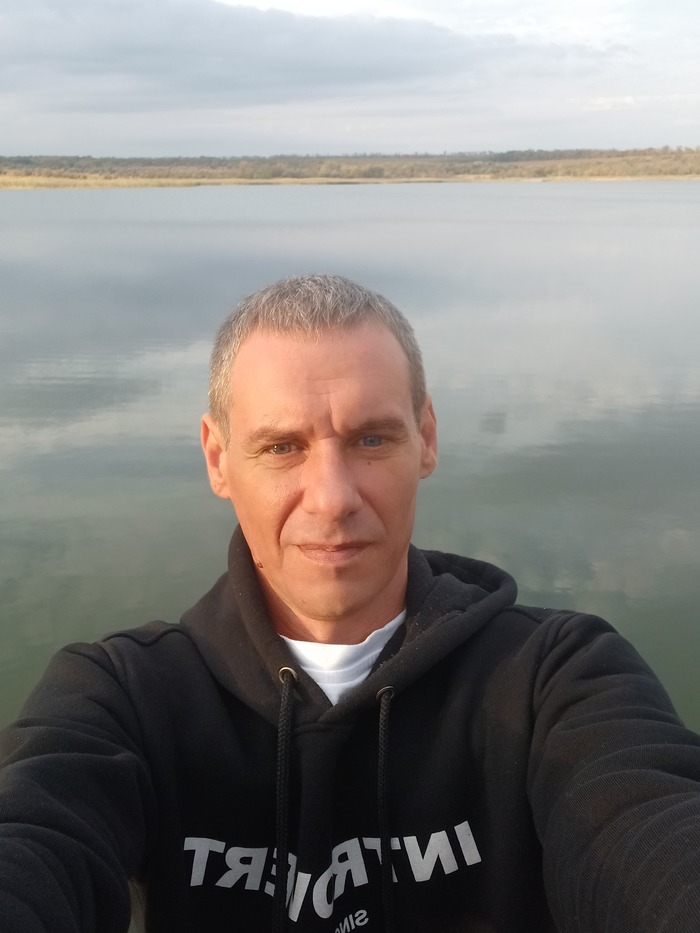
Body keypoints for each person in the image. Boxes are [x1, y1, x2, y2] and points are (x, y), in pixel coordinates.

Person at [1, 274, 699, 933]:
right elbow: (35, 839)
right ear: (218, 458)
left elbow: (648, 825)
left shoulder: (558, 678)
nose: (333, 498)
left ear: (426, 439)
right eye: (281, 446)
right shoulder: (123, 698)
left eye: (371, 438)